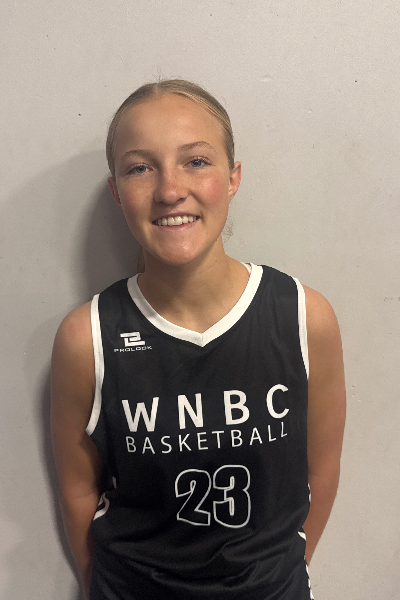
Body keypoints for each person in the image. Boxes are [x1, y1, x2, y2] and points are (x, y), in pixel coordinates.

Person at [51, 79, 346, 600]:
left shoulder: (303, 317)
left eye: (196, 161)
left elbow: (320, 472)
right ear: (117, 190)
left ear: (232, 178)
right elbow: (79, 491)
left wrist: (275, 577)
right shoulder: (86, 338)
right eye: (140, 168)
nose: (169, 189)